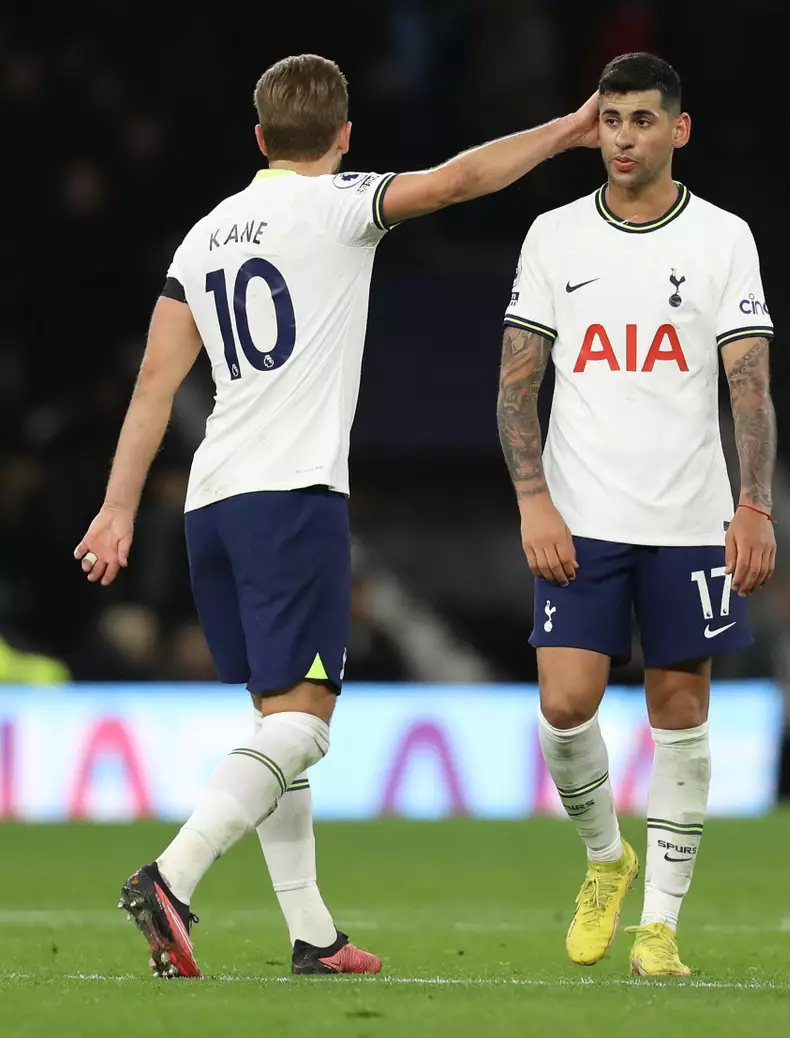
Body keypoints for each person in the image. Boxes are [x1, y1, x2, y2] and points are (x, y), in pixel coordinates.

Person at [74, 53, 599, 979]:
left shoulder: (203, 237)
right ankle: (172, 875)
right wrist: (566, 130)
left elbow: (156, 383)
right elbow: (458, 181)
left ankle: (312, 935)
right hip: (291, 497)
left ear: (259, 138)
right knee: (307, 724)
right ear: (345, 136)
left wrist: (118, 508)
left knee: (278, 722)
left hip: (211, 505)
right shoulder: (342, 204)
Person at [497, 52, 776, 978]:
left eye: (642, 120)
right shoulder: (554, 236)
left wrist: (754, 503)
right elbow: (515, 387)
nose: (623, 137)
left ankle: (660, 926)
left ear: (678, 130)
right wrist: (535, 501)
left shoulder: (724, 237)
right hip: (579, 516)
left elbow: (749, 386)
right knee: (565, 703)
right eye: (610, 120)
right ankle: (604, 860)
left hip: (690, 519)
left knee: (679, 709)